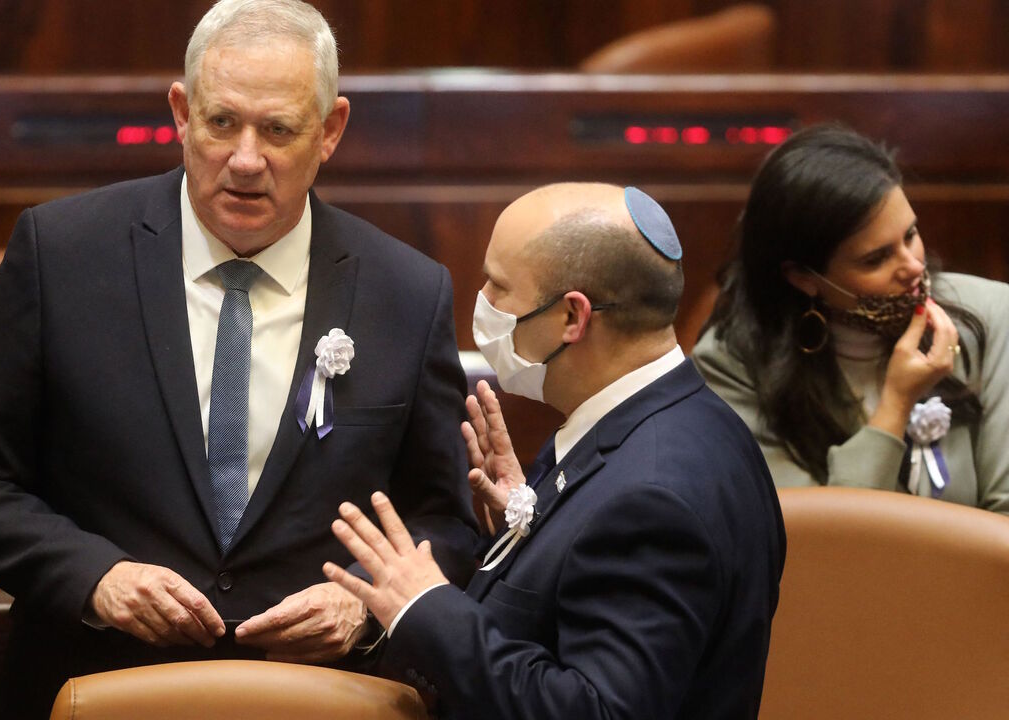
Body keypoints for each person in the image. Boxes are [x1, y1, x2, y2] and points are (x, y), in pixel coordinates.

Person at [0, 1, 476, 717]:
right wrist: (98, 578)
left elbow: (448, 522)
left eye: (278, 129)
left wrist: (366, 602)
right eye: (222, 123)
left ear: (331, 130)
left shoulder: (406, 291)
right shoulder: (59, 254)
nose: (246, 160)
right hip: (96, 689)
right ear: (182, 113)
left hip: (315, 699)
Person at [324, 183, 786, 719]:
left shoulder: (650, 501)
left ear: (573, 317)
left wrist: (427, 607)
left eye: (499, 287)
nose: (484, 303)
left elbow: (595, 711)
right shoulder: (692, 420)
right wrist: (531, 528)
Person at [692, 125, 1009, 513]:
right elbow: (818, 540)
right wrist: (896, 403)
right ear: (804, 278)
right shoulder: (732, 363)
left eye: (910, 235)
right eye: (876, 258)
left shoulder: (993, 313)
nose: (913, 266)